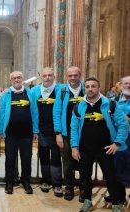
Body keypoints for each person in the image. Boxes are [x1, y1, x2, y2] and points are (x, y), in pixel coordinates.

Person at [70, 77, 128, 212]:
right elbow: (73, 128)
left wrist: (117, 144)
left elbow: (123, 125)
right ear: (85, 88)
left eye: (93, 86)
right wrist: (74, 147)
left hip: (106, 149)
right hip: (84, 149)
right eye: (88, 86)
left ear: (99, 87)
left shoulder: (110, 104)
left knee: (110, 177)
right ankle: (87, 201)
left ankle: (115, 203)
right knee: (85, 177)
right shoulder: (79, 106)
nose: (90, 89)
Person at [0, 71, 39, 195]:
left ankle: (25, 181)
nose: (17, 79)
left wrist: (35, 130)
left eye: (19, 77)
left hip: (26, 133)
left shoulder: (30, 93)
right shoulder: (6, 95)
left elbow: (35, 113)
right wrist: (0, 130)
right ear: (11, 81)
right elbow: (2, 113)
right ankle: (9, 182)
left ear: (22, 79)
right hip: (10, 133)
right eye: (14, 78)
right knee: (10, 159)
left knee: (26, 158)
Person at [53, 66, 85, 201]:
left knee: (84, 162)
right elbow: (56, 112)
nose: (73, 78)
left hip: (84, 133)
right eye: (70, 75)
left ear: (80, 75)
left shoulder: (86, 89)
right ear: (67, 76)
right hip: (66, 133)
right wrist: (58, 133)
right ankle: (69, 187)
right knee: (67, 162)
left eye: (75, 75)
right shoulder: (62, 91)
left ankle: (84, 188)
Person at [31, 67, 63, 197]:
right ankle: (45, 181)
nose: (47, 78)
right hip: (42, 130)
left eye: (50, 75)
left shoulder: (61, 90)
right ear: (41, 77)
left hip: (56, 131)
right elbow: (32, 110)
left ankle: (57, 184)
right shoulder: (34, 91)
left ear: (54, 77)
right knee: (43, 157)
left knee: (56, 158)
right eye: (45, 76)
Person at [104, 76, 130, 205]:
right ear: (120, 85)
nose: (128, 86)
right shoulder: (113, 101)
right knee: (115, 170)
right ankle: (118, 196)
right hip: (115, 141)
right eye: (126, 83)